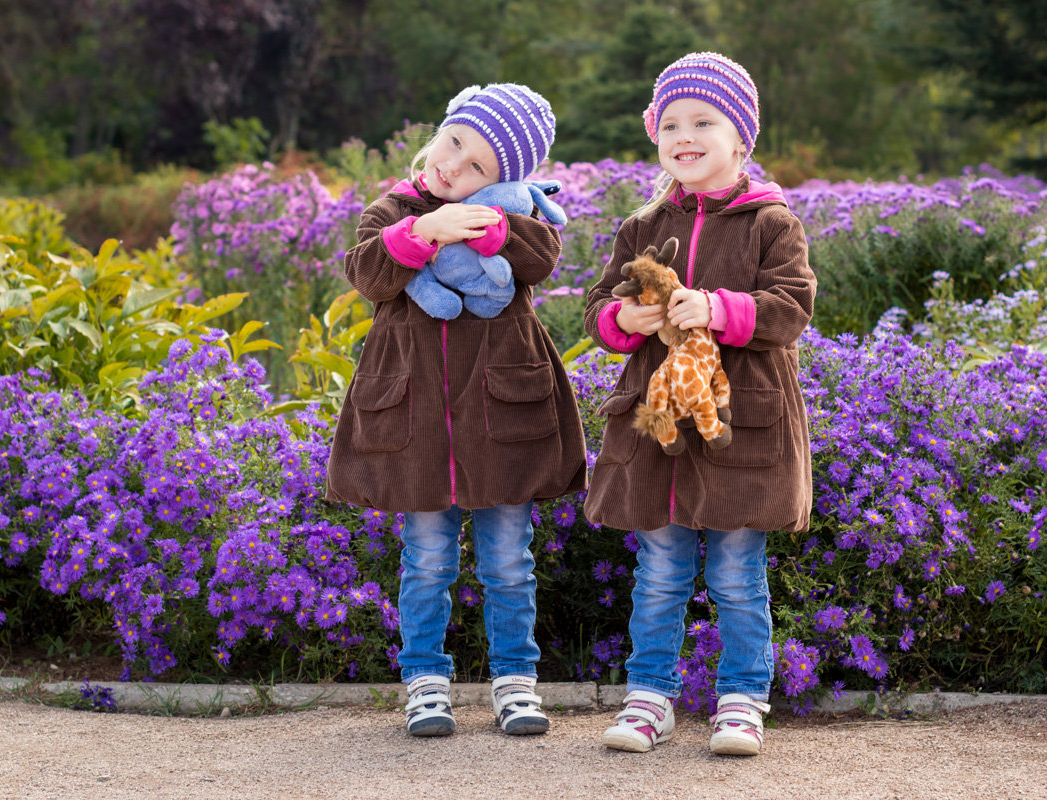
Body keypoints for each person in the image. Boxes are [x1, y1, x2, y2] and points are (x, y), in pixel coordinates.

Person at [326, 83, 587, 738]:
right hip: (414, 423)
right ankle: (424, 682)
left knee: (507, 560)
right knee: (427, 562)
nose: (454, 167)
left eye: (478, 169)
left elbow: (542, 253)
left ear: (504, 183)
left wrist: (491, 224)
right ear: (441, 130)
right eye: (455, 144)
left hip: (501, 420)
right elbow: (366, 271)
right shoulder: (391, 210)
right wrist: (422, 232)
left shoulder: (508, 220)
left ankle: (515, 683)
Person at [583, 52, 816, 756]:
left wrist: (717, 307)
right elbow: (599, 307)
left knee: (738, 574)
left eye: (704, 121)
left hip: (739, 427)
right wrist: (625, 322)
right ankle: (648, 698)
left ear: (739, 136)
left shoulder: (771, 222)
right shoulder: (643, 226)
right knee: (658, 572)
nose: (685, 135)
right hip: (659, 431)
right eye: (672, 123)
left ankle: (742, 700)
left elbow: (791, 306)